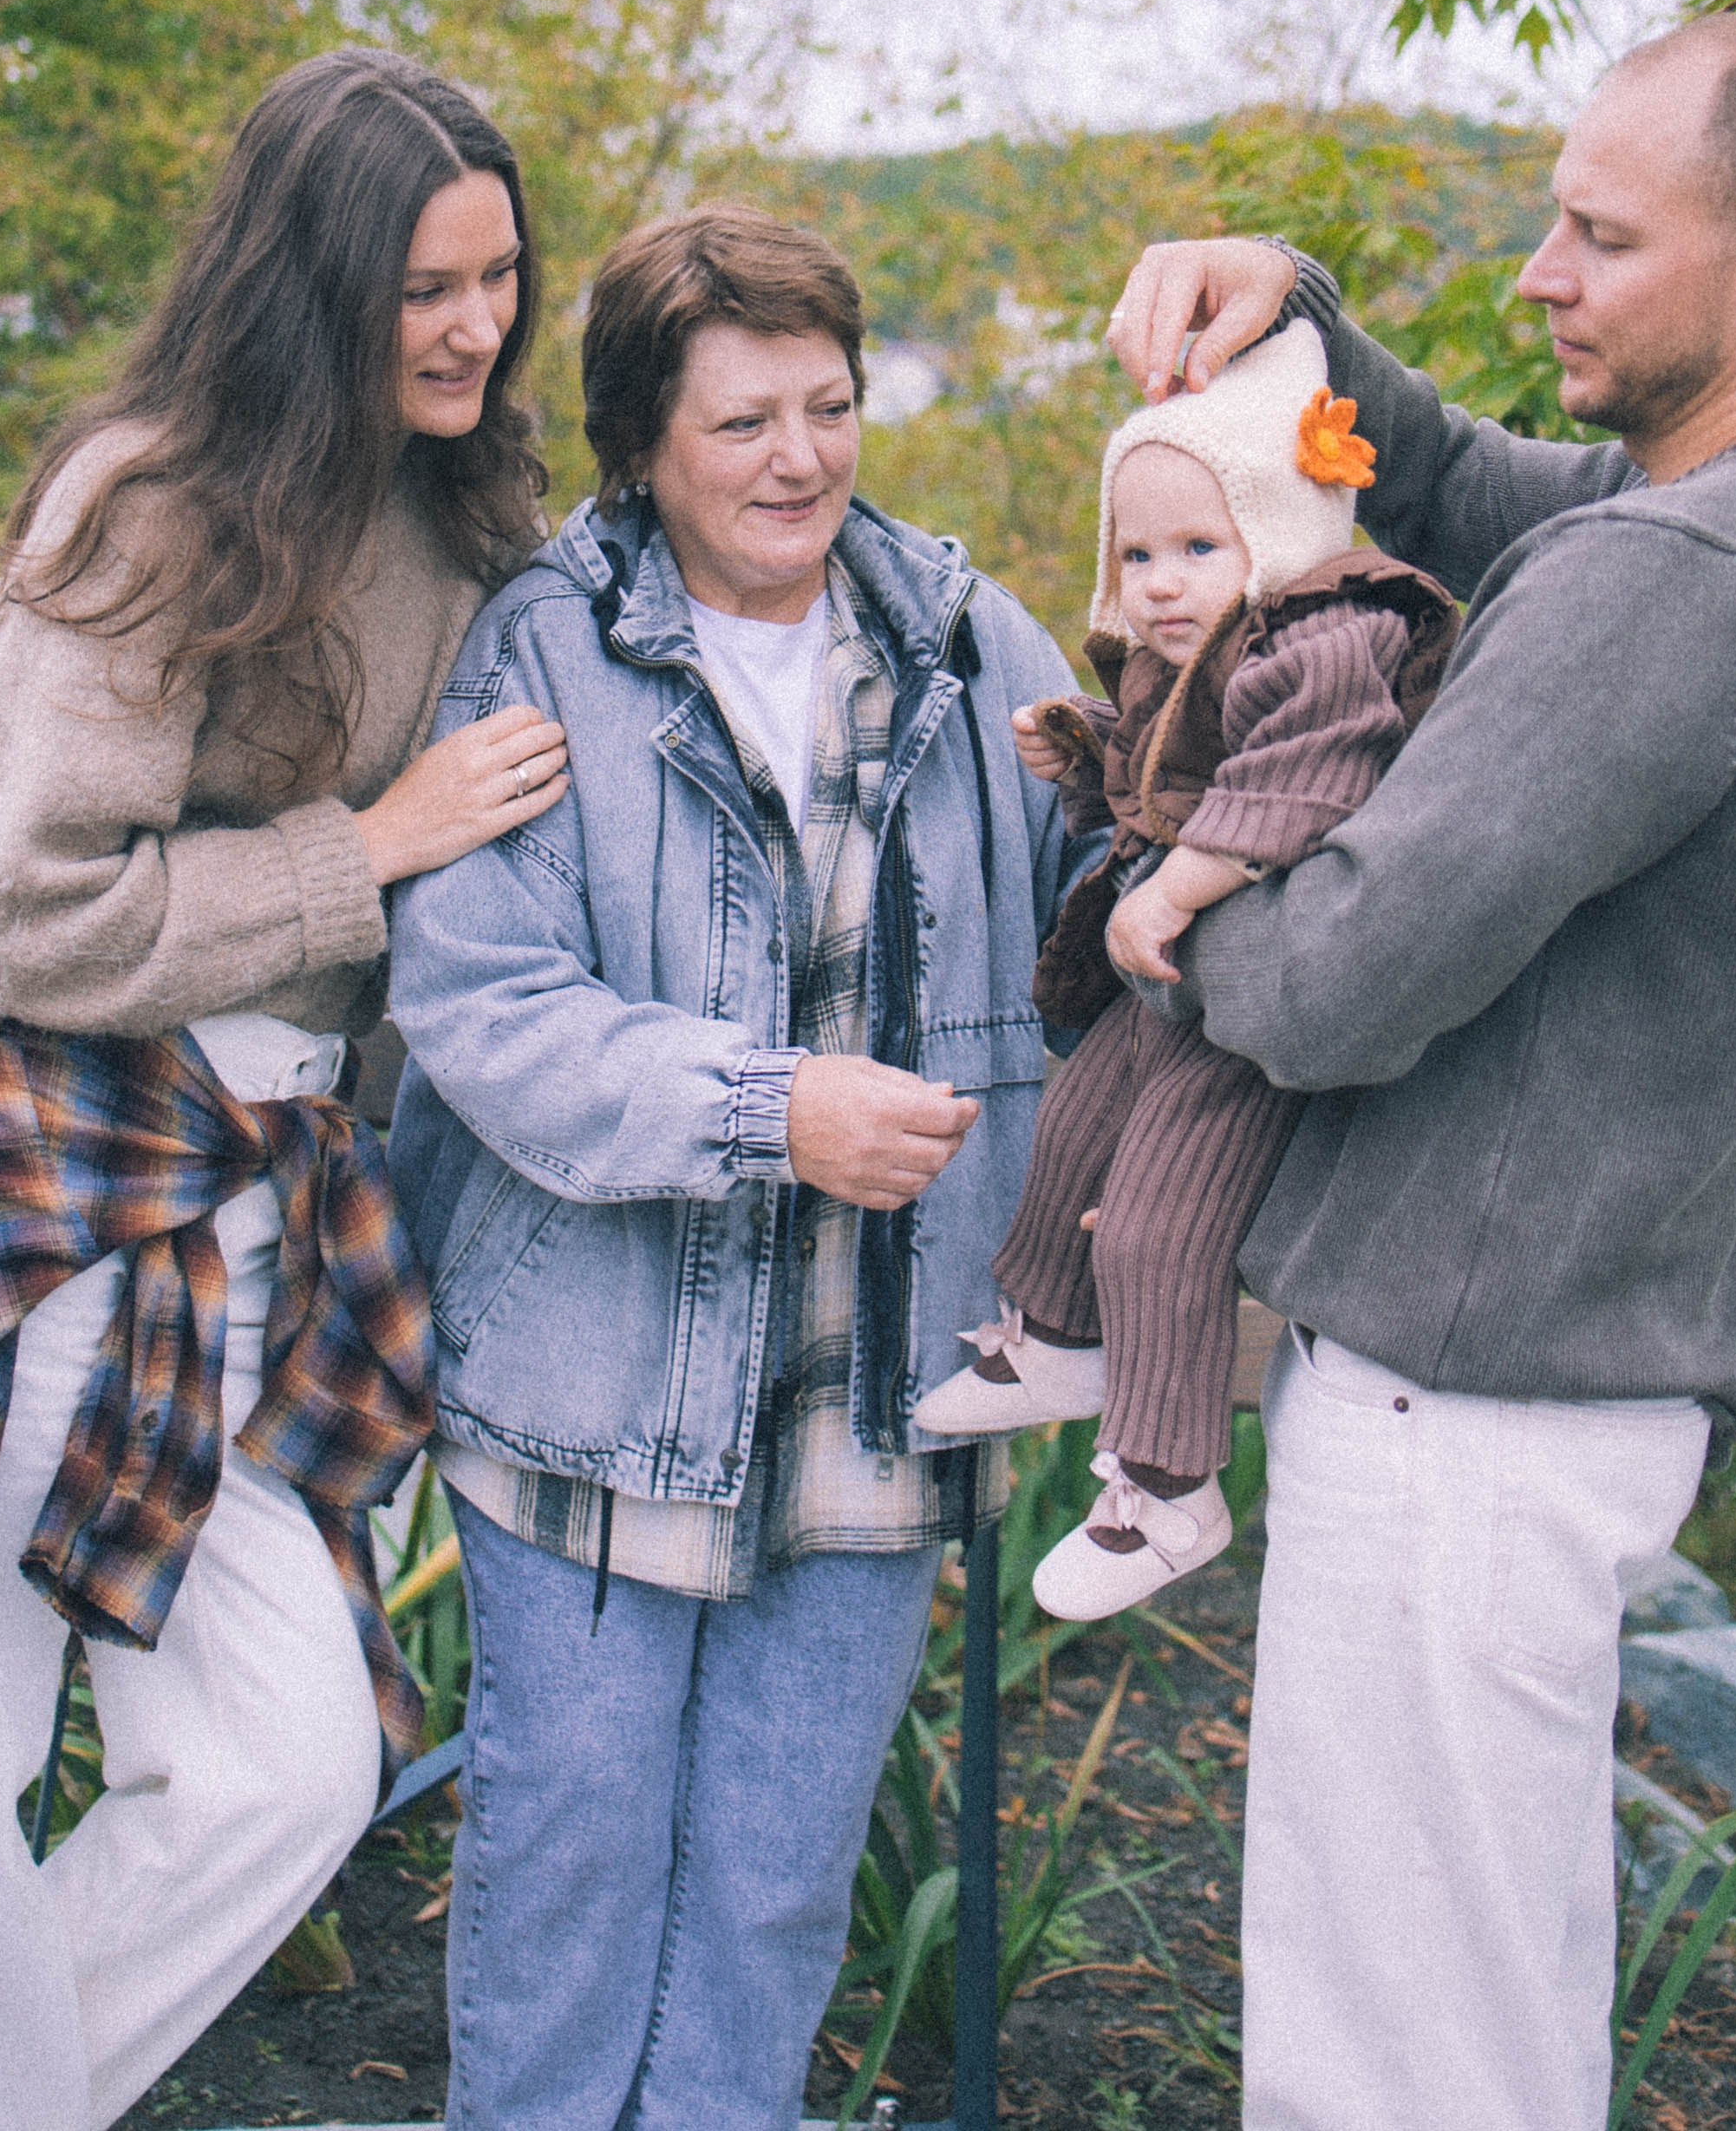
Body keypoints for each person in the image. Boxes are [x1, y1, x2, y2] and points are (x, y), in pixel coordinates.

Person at [1103, 10, 1736, 2131]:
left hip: (1458, 1419)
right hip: (1582, 1387)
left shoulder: (1676, 580)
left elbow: (1337, 981)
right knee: (1492, 2037)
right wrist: (1303, 316)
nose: (1540, 274)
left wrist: (1157, 886)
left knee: (1385, 2070)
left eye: (1598, 234)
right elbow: (1492, 497)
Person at [382, 201, 1239, 2131]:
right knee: (564, 1884)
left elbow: (1097, 895)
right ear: (640, 447)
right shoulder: (543, 646)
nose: (798, 460)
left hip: (879, 1398)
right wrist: (778, 1109)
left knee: (775, 1900)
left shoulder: (961, 635)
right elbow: (488, 1007)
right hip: (591, 1402)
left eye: (828, 408)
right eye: (741, 424)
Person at [0, 48, 571, 2131]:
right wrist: (371, 844)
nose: (474, 328)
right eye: (425, 290)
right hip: (40, 1190)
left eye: (500, 280)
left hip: (259, 1216)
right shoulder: (153, 505)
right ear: (312, 288)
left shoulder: (461, 516)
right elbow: (21, 917)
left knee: (293, 1758)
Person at [915, 319, 1456, 1624]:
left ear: (1279, 535)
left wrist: (1175, 883)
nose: (1160, 583)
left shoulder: (1328, 637)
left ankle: (1167, 1485)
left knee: (1161, 1223)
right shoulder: (1205, 646)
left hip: (1250, 1006)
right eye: (1140, 553)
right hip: (1173, 978)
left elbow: (1294, 788)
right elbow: (1183, 767)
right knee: (1071, 1132)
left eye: (1197, 549)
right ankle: (1052, 1338)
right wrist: (1092, 738)